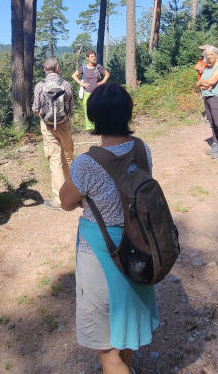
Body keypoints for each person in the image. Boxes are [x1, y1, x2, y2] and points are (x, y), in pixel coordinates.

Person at [59, 83, 158, 374]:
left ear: (94, 119)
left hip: (101, 253)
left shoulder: (87, 163)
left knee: (107, 346)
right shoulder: (142, 149)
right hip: (139, 244)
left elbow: (66, 201)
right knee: (124, 327)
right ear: (128, 113)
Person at [32, 57, 75, 211]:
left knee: (55, 159)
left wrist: (46, 116)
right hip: (64, 124)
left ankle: (60, 200)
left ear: (45, 70)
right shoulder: (65, 84)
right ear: (57, 68)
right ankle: (77, 192)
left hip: (47, 126)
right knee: (69, 155)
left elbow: (35, 109)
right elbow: (70, 107)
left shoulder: (40, 86)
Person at [197, 46, 218, 159]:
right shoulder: (207, 68)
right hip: (207, 96)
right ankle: (216, 144)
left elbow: (212, 81)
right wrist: (206, 84)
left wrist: (206, 83)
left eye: (211, 54)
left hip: (217, 97)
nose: (209, 57)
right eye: (207, 55)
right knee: (211, 122)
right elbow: (199, 83)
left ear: (217, 55)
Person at [72, 50, 110, 131]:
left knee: (98, 109)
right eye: (91, 56)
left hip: (97, 93)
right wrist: (82, 84)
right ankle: (89, 128)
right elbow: (74, 75)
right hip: (87, 93)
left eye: (94, 56)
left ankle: (98, 126)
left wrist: (103, 82)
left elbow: (107, 74)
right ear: (87, 58)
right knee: (87, 111)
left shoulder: (98, 67)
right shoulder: (83, 68)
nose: (94, 58)